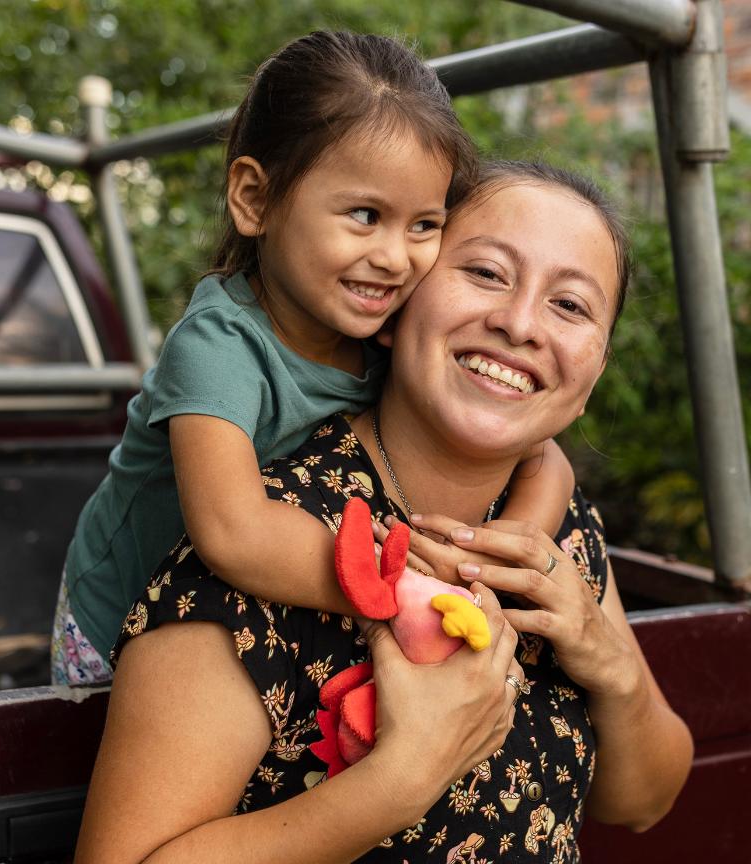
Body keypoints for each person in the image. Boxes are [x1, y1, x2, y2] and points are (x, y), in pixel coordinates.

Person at [75, 162, 694, 863]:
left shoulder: (558, 534)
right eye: (488, 273)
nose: (519, 324)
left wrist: (610, 664)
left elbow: (640, 801)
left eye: (571, 306)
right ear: (396, 309)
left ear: (591, 378)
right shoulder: (273, 545)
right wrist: (400, 780)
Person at [52, 32, 576, 686]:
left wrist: (483, 568)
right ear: (254, 199)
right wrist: (405, 584)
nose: (394, 256)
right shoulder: (220, 344)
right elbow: (232, 531)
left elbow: (544, 457)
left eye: (423, 225)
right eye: (365, 215)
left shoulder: (393, 328)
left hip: (264, 613)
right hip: (117, 620)